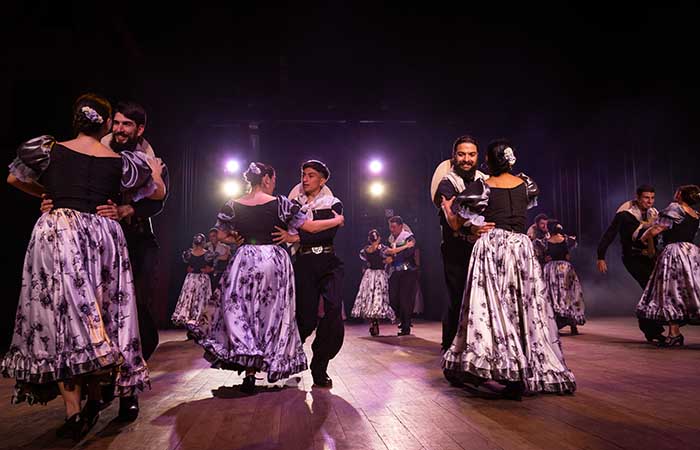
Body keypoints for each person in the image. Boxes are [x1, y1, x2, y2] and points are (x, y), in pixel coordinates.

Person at [1, 93, 165, 439]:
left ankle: (75, 411)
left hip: (57, 231)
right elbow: (154, 191)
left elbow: (14, 179)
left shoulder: (50, 149)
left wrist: (47, 195)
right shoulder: (122, 161)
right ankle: (96, 396)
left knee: (58, 316)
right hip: (100, 234)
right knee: (102, 317)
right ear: (105, 123)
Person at [39, 100, 168, 421]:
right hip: (91, 243)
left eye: (128, 125)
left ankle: (128, 391)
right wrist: (51, 200)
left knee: (134, 317)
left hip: (136, 241)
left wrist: (128, 210)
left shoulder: (148, 158)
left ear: (140, 129)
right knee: (93, 315)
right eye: (118, 123)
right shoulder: (98, 150)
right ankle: (99, 387)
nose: (121, 130)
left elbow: (159, 197)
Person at [191, 162, 344, 393]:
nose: (274, 184)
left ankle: (250, 373)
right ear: (266, 179)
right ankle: (274, 361)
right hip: (272, 261)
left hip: (245, 261)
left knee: (245, 314)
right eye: (273, 179)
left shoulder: (233, 203)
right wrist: (337, 220)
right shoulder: (281, 203)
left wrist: (237, 239)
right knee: (269, 316)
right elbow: (310, 228)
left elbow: (221, 234)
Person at [442, 139, 576, 400]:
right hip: (522, 249)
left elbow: (458, 223)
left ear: (487, 162)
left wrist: (449, 211)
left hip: (495, 248)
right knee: (524, 308)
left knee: (495, 309)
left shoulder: (482, 187)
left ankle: (503, 367)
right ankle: (525, 366)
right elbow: (518, 209)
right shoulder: (526, 183)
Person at [273, 160, 345, 388]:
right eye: (304, 174)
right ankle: (290, 359)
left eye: (311, 175)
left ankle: (320, 365)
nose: (305, 179)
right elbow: (284, 231)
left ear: (322, 180)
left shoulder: (334, 203)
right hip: (303, 262)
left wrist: (296, 236)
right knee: (305, 318)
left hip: (328, 261)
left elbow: (328, 234)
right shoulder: (293, 204)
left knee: (333, 313)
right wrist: (300, 236)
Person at [597, 185, 664, 344]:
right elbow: (609, 234)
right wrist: (601, 257)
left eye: (652, 198)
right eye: (646, 197)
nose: (650, 201)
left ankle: (652, 328)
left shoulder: (654, 213)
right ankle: (651, 328)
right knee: (650, 288)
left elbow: (657, 236)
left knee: (655, 290)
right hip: (632, 257)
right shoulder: (625, 214)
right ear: (638, 197)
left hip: (650, 258)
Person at [636, 185, 700, 346]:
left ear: (680, 195)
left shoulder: (676, 208)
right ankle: (674, 332)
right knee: (691, 291)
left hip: (675, 253)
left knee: (671, 291)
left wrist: (643, 238)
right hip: (692, 253)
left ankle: (674, 333)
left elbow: (656, 229)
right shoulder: (695, 214)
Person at [537, 220, 585, 335]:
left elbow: (539, 254)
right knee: (569, 294)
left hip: (551, 270)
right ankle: (572, 324)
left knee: (553, 295)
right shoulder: (568, 240)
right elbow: (574, 247)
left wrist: (545, 258)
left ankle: (555, 322)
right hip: (565, 268)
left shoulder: (544, 242)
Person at [350, 229, 395, 336]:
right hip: (379, 275)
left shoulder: (366, 250)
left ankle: (373, 322)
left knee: (369, 297)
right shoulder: (381, 248)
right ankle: (375, 321)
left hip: (369, 275)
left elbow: (366, 262)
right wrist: (406, 246)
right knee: (378, 297)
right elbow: (392, 253)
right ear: (379, 238)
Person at [171, 233, 215, 334]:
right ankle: (198, 325)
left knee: (190, 300)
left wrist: (188, 268)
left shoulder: (189, 253)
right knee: (200, 301)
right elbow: (213, 266)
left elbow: (183, 266)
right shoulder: (207, 254)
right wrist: (210, 269)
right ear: (203, 242)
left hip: (191, 279)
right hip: (202, 280)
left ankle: (192, 326)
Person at [386, 216, 418, 336]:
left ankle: (406, 326)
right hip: (395, 272)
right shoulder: (391, 239)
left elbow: (408, 253)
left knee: (405, 299)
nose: (391, 229)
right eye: (390, 226)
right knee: (393, 298)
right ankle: (403, 320)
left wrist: (394, 254)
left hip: (407, 272)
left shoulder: (408, 238)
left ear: (400, 226)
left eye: (394, 227)